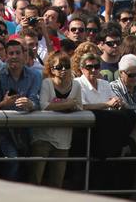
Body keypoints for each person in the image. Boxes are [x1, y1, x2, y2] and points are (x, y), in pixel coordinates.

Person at [30, 51, 82, 188]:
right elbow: (44, 105)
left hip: (64, 141)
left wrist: (62, 105)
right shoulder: (47, 83)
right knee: (35, 179)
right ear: (51, 69)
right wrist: (68, 104)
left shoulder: (76, 85)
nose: (63, 70)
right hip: (42, 138)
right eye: (59, 67)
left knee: (56, 182)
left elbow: (79, 107)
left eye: (66, 66)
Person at [0, 38, 41, 179]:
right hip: (5, 129)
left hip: (27, 129)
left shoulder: (35, 75)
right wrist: (4, 103)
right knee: (13, 162)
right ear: (6, 56)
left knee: (26, 166)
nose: (14, 56)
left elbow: (37, 101)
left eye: (17, 53)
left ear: (24, 55)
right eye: (11, 53)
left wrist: (30, 104)